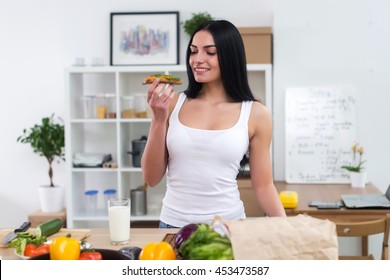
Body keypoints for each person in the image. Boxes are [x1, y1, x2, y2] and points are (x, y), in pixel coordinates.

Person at [141, 20, 286, 228]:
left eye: (210, 52)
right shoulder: (172, 103)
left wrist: (287, 229)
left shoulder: (256, 114)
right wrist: (158, 119)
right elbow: (151, 178)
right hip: (174, 226)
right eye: (193, 51)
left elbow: (263, 187)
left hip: (228, 227)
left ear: (230, 56)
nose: (197, 60)